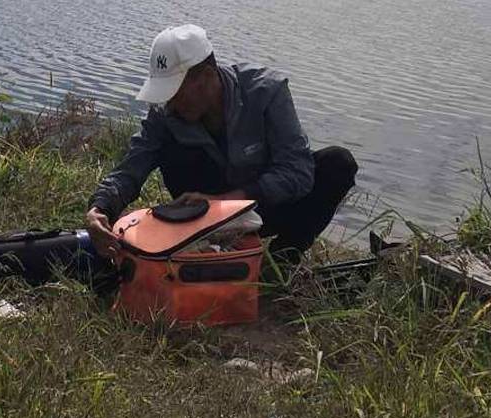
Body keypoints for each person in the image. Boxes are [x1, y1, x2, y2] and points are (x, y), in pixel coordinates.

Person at [85, 24, 357, 264]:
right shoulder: (165, 115)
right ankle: (206, 252)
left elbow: (297, 172)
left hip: (261, 206)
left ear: (206, 75)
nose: (171, 103)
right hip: (201, 217)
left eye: (176, 92)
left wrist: (226, 201)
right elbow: (131, 168)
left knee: (338, 163)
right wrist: (100, 208)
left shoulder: (267, 92)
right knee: (172, 147)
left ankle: (283, 261)